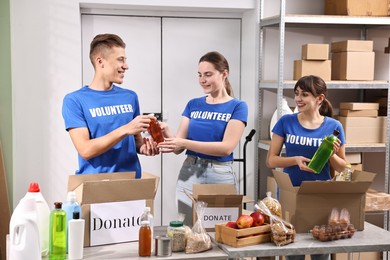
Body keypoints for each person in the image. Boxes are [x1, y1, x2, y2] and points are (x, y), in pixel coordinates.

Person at [158, 51, 248, 226]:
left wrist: (183, 143)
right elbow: (178, 148)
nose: (202, 80)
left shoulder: (237, 106)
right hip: (189, 172)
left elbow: (226, 148)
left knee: (222, 231)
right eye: (200, 75)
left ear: (224, 73)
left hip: (219, 174)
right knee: (187, 229)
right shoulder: (193, 104)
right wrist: (166, 131)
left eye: (208, 74)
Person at [266, 75, 347, 260]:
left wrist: (331, 154)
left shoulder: (334, 127)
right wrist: (294, 160)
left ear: (319, 98)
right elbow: (271, 160)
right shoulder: (286, 122)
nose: (298, 99)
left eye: (304, 95)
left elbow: (343, 168)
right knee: (294, 253)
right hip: (290, 194)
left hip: (320, 196)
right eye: (296, 94)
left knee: (321, 254)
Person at [62, 33, 159, 178]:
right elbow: (85, 150)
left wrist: (145, 148)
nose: (126, 66)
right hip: (95, 184)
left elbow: (136, 141)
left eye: (125, 60)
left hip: (131, 182)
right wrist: (126, 129)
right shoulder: (74, 100)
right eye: (120, 60)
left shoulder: (130, 97)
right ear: (100, 61)